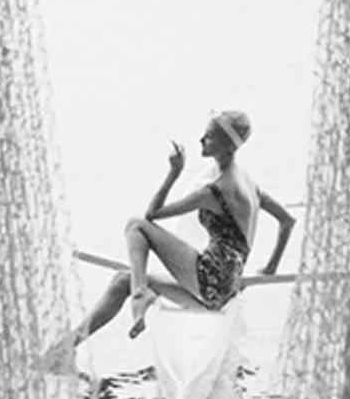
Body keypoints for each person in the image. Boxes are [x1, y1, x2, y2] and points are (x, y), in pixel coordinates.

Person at [44, 110, 295, 366]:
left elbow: (151, 215)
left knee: (135, 226)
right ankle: (65, 349)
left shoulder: (216, 189)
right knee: (122, 280)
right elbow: (287, 221)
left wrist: (174, 173)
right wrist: (270, 268)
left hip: (210, 281)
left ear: (228, 146)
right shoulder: (249, 182)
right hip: (224, 287)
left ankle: (140, 294)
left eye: (208, 137)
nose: (200, 140)